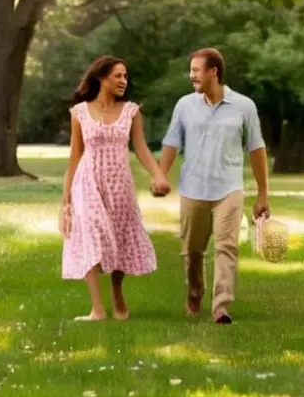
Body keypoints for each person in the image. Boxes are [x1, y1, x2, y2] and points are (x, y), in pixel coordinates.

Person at [155, 47, 270, 325]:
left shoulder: (244, 106)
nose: (191, 76)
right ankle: (195, 293)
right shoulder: (185, 105)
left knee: (227, 247)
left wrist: (262, 194)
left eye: (196, 70)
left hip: (229, 189)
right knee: (193, 252)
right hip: (193, 188)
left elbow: (256, 149)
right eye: (191, 70)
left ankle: (221, 307)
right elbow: (172, 142)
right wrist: (161, 175)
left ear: (213, 71)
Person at [60, 55, 170, 322]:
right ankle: (97, 309)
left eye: (125, 76)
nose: (123, 81)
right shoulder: (80, 112)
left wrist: (158, 175)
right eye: (118, 76)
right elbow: (75, 157)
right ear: (102, 78)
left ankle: (117, 292)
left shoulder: (131, 111)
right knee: (91, 235)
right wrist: (66, 201)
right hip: (88, 183)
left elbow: (141, 148)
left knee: (120, 237)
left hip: (120, 184)